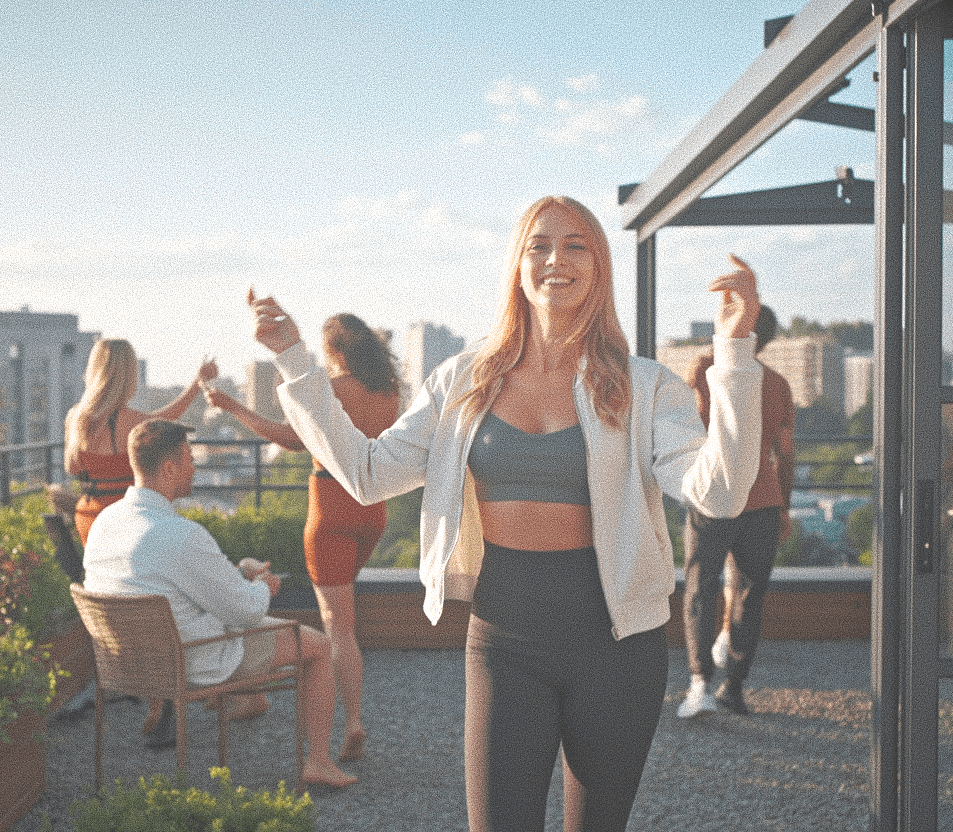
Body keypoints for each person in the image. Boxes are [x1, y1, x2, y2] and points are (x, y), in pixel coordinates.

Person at [245, 195, 763, 832]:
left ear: (600, 267)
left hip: (616, 639)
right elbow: (370, 473)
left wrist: (735, 355)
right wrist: (295, 360)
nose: (556, 259)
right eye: (539, 245)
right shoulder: (464, 379)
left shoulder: (646, 385)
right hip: (503, 631)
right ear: (517, 265)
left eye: (577, 246)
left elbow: (719, 494)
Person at [81, 418, 359, 787]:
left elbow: (188, 589)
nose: (195, 466)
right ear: (168, 468)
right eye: (189, 459)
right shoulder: (181, 536)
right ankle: (319, 763)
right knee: (320, 647)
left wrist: (240, 578)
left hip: (126, 663)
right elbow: (247, 611)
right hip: (195, 660)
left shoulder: (104, 524)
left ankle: (253, 701)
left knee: (222, 606)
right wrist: (263, 585)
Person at [206, 313, 400, 763]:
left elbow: (289, 438)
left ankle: (352, 722)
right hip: (373, 509)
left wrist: (232, 407)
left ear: (333, 350)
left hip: (331, 507)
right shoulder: (388, 391)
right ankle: (350, 715)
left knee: (339, 626)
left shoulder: (336, 389)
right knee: (344, 616)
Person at [676, 304, 794, 718]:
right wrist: (784, 507)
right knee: (750, 593)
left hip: (712, 499)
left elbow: (685, 426)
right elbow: (786, 455)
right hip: (763, 502)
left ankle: (700, 685)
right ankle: (733, 686)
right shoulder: (778, 384)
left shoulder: (703, 367)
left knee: (699, 589)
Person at [64, 338, 217, 545]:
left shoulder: (75, 418)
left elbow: (72, 467)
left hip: (88, 517)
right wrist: (198, 381)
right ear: (128, 375)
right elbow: (170, 416)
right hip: (127, 519)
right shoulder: (133, 422)